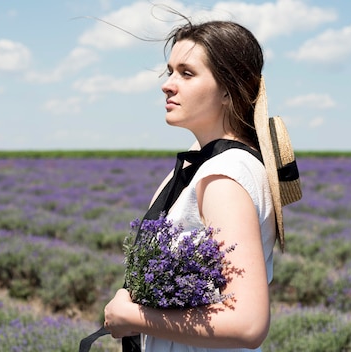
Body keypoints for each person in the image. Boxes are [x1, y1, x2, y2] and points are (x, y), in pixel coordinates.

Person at [103, 19, 275, 351]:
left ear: (229, 88)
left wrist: (133, 317)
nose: (167, 85)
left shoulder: (224, 176)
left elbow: (248, 323)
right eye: (169, 72)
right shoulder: (202, 163)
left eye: (187, 73)